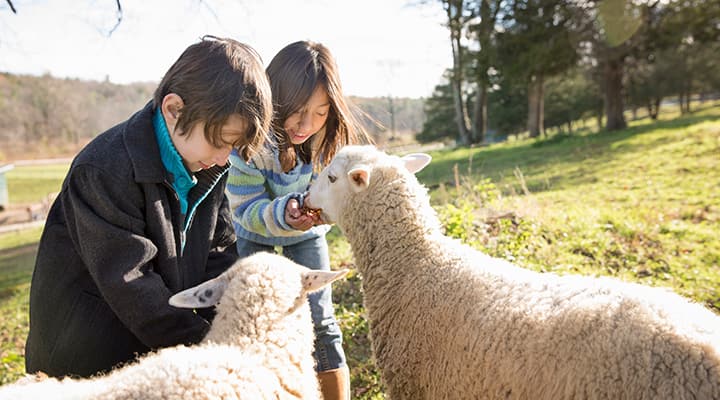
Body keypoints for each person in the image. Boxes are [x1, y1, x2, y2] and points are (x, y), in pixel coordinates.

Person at [25, 36, 273, 378]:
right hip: (85, 361)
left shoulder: (207, 164)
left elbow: (218, 254)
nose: (223, 157)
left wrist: (236, 324)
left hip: (154, 354)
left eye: (234, 146)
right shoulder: (104, 170)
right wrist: (208, 347)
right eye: (221, 141)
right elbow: (133, 283)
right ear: (174, 110)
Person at [225, 40, 373, 400]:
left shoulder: (328, 145)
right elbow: (245, 209)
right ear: (276, 99)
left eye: (321, 112)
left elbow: (333, 202)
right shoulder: (251, 143)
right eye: (298, 111)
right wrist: (285, 213)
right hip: (254, 234)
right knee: (255, 319)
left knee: (321, 321)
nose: (307, 124)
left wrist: (315, 213)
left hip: (306, 237)